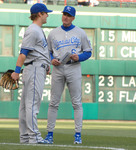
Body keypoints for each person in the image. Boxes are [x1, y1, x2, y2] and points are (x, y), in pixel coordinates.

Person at [44, 6, 92, 144]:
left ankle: (78, 135)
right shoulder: (53, 33)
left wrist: (80, 57)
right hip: (58, 68)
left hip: (74, 67)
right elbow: (48, 51)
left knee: (76, 102)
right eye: (64, 14)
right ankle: (49, 134)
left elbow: (88, 52)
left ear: (73, 17)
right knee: (53, 102)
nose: (65, 17)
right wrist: (51, 59)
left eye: (68, 15)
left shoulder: (80, 33)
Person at [11, 3, 52, 144]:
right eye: (46, 13)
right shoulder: (34, 30)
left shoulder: (36, 30)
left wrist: (46, 64)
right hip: (34, 69)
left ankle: (26, 138)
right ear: (40, 14)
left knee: (25, 106)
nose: (48, 15)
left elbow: (36, 52)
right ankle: (34, 137)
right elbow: (23, 53)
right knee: (32, 105)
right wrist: (16, 71)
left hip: (36, 67)